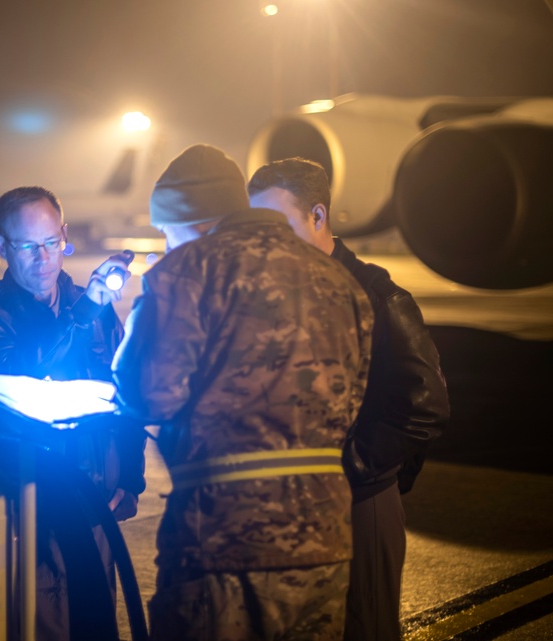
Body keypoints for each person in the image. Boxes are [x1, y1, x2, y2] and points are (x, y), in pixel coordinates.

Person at [112, 144, 374, 641]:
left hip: (223, 541)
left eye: (167, 232)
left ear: (195, 221)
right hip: (325, 540)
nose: (166, 246)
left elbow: (146, 395)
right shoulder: (340, 281)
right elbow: (351, 400)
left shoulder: (186, 273)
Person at [247, 157, 450, 641]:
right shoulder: (270, 292)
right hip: (289, 505)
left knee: (364, 624)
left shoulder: (381, 296)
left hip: (359, 500)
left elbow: (424, 406)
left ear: (318, 215)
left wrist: (349, 468)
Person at [0, 185, 146, 640]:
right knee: (42, 627)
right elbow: (22, 377)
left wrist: (131, 482)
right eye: (26, 246)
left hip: (96, 506)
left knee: (98, 625)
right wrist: (83, 313)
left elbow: (127, 397)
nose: (42, 258)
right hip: (27, 514)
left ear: (64, 235)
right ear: (2, 246)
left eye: (50, 243)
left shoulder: (94, 310)